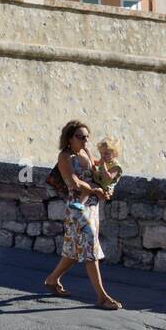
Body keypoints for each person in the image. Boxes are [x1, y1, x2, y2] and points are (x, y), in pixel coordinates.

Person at [44, 120, 122, 310]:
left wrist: (106, 185)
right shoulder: (65, 157)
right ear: (69, 138)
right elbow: (74, 183)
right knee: (90, 249)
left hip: (92, 207)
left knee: (73, 249)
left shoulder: (86, 152)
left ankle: (52, 280)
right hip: (77, 209)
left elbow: (95, 172)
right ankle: (102, 297)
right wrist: (95, 189)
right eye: (80, 137)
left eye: (87, 136)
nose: (85, 140)